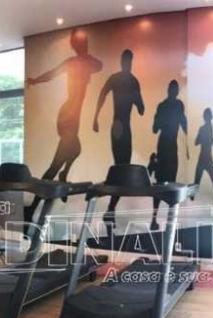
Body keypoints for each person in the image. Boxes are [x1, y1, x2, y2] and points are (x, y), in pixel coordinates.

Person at [24, 30, 103, 219]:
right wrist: (35, 81)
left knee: (75, 150)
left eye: (85, 42)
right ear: (76, 46)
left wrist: (85, 58)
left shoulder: (85, 62)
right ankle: (32, 207)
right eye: (80, 43)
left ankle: (63, 176)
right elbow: (51, 74)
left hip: (72, 116)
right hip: (67, 116)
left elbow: (99, 65)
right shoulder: (73, 63)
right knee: (55, 165)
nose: (84, 46)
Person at [92, 49, 144, 224]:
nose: (127, 64)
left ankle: (110, 209)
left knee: (122, 170)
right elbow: (102, 94)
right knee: (121, 170)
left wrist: (136, 98)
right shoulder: (122, 79)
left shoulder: (132, 81)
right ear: (123, 62)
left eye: (128, 61)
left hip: (122, 127)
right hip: (119, 127)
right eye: (125, 61)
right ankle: (110, 209)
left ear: (129, 62)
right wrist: (95, 118)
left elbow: (141, 109)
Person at [149, 80, 187, 231]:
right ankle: (159, 220)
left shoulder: (165, 106)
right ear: (175, 91)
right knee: (166, 184)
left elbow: (155, 128)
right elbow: (183, 124)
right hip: (168, 147)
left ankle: (157, 220)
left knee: (164, 183)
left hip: (166, 146)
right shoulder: (175, 106)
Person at [193, 108, 213, 222]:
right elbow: (196, 142)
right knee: (195, 188)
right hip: (203, 160)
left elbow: (212, 140)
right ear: (208, 117)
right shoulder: (204, 128)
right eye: (209, 116)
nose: (209, 118)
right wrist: (202, 137)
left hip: (206, 160)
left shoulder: (209, 127)